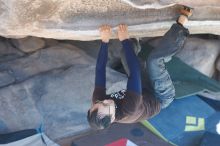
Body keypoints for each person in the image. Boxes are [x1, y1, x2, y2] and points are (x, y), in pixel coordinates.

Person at [87, 6, 193, 129]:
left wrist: (104, 41)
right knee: (154, 61)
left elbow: (100, 70)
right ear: (111, 118)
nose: (104, 100)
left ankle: (135, 38)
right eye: (106, 105)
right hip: (160, 96)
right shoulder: (129, 109)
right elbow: (134, 72)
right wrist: (124, 40)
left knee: (124, 55)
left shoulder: (98, 104)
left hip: (143, 90)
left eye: (99, 103)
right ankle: (180, 26)